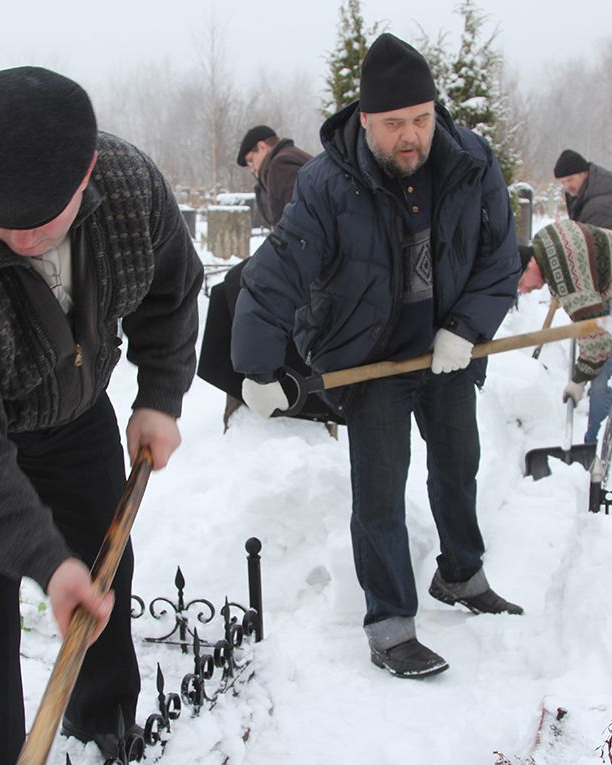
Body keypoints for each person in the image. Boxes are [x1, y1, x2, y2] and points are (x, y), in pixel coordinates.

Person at [0, 66, 202, 765]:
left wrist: (159, 396)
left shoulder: (127, 189)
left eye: (41, 222)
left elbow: (173, 290)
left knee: (103, 559)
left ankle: (105, 716)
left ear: (85, 172)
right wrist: (41, 561)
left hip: (75, 409)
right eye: (3, 226)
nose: (22, 240)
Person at [231, 33, 522, 680]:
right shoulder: (328, 184)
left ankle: (461, 574)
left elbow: (501, 258)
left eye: (421, 118)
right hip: (372, 360)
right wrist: (255, 366)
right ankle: (390, 623)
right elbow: (277, 273)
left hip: (446, 353)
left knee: (458, 468)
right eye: (394, 125)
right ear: (365, 121)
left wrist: (464, 328)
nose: (411, 136)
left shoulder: (470, 162)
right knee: (380, 495)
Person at [198, 127, 320, 430]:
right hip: (293, 258)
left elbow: (306, 218)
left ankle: (247, 381)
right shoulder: (282, 162)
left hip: (303, 263)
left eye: (250, 159)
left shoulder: (282, 163)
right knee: (229, 286)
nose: (251, 168)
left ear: (263, 146)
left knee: (237, 286)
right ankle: (241, 381)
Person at [519, 220, 612, 443]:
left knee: (602, 374)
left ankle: (596, 445)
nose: (522, 290)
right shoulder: (545, 239)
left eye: (520, 282)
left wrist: (579, 379)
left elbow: (597, 344)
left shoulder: (566, 281)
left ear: (531, 263)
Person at [554, 148, 612, 240]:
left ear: (585, 174)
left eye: (570, 180)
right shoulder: (593, 195)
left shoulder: (602, 205)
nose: (566, 187)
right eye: (563, 182)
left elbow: (599, 248)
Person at [236, 125, 314, 229]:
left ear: (262, 147)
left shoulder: (281, 165)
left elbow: (301, 219)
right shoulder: (291, 156)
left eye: (251, 161)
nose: (252, 169)